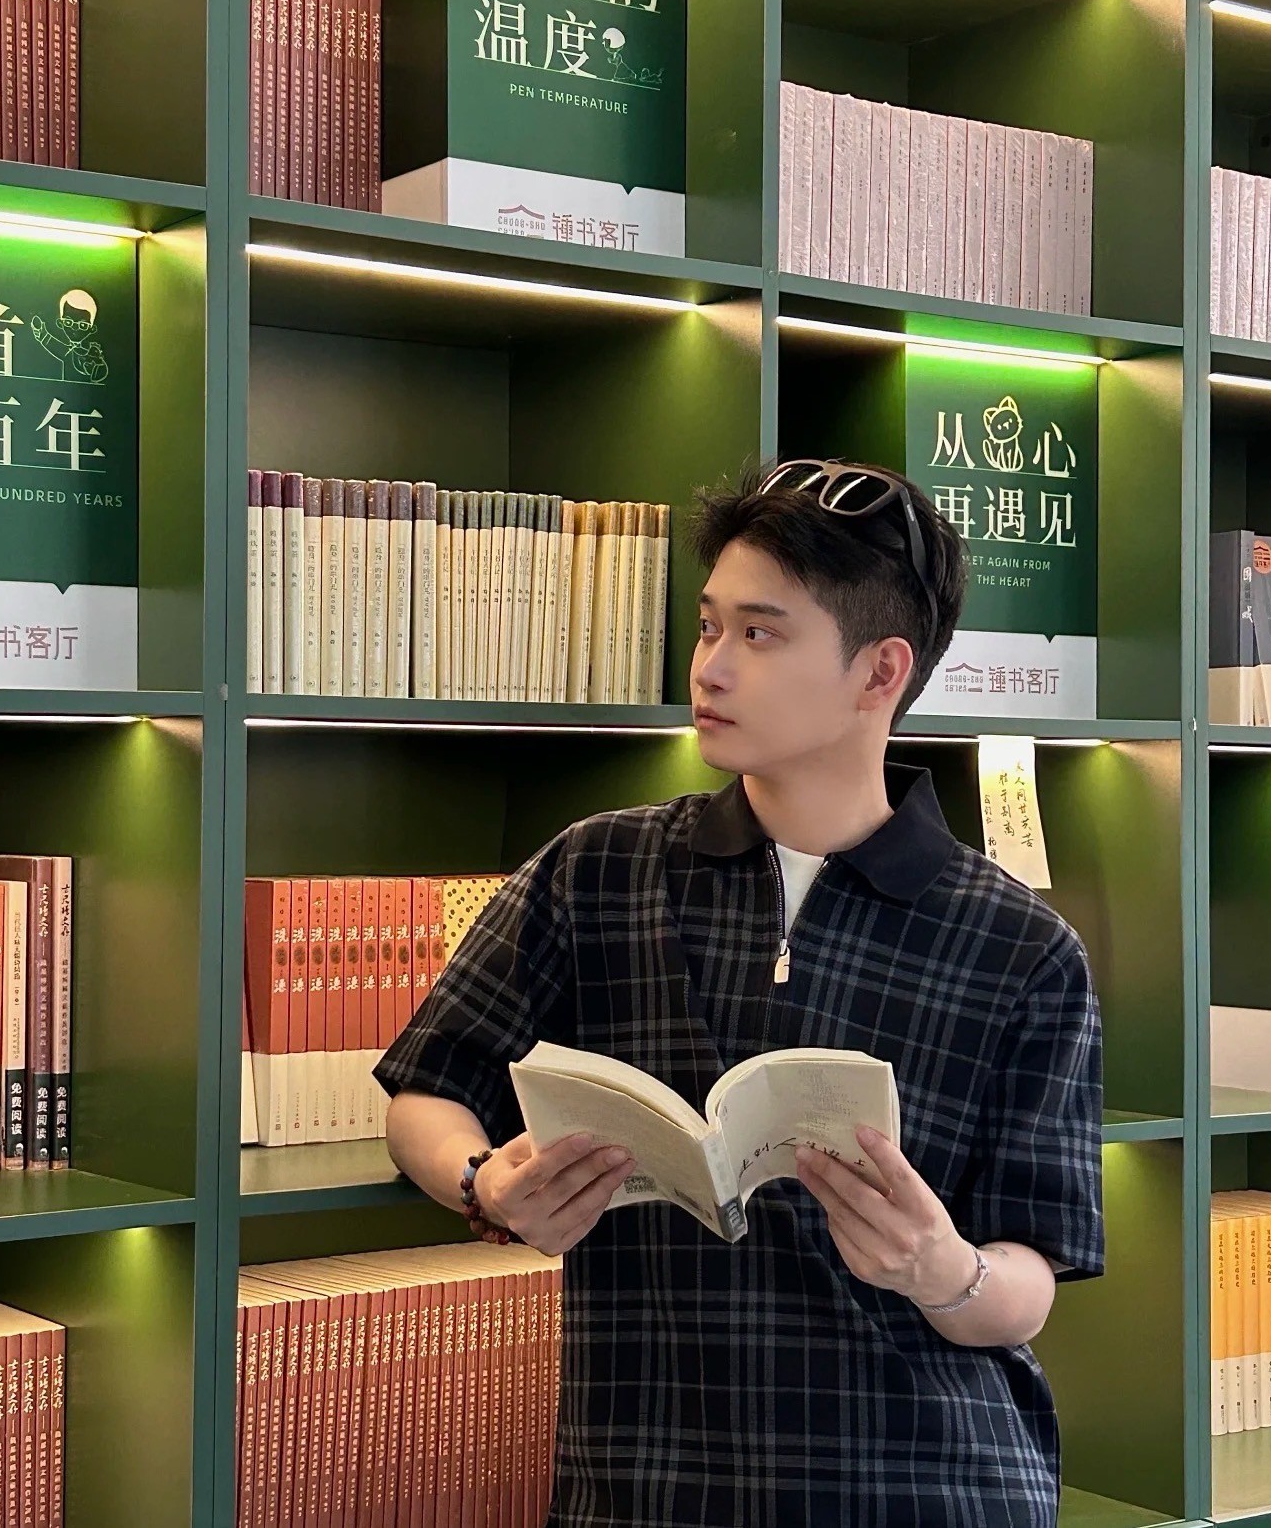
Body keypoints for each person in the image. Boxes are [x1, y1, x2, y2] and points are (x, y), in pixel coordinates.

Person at [373, 457, 1105, 1527]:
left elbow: (1031, 1278)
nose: (710, 666)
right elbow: (425, 1091)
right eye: (710, 625)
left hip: (925, 1485)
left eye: (760, 635)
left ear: (879, 672)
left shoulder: (1020, 946)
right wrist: (483, 1181)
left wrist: (939, 1266)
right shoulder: (598, 869)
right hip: (647, 1488)